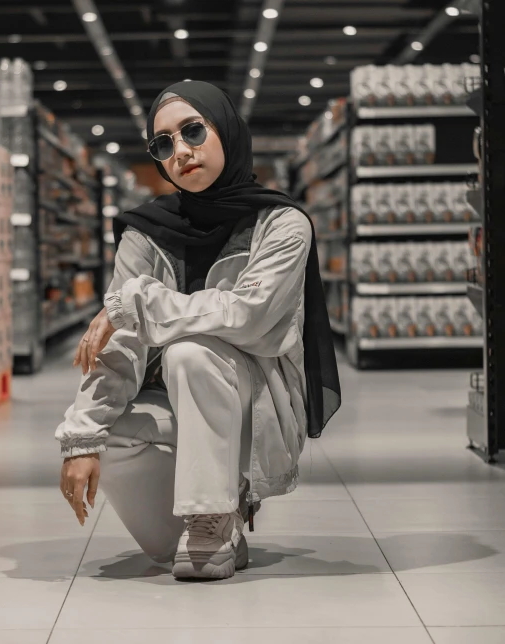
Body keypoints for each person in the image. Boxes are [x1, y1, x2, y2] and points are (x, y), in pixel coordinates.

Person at [56, 81, 341, 580]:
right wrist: (81, 438)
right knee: (112, 435)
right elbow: (123, 343)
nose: (180, 152)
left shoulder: (282, 223)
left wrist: (139, 302)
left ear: (225, 131)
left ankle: (210, 513)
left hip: (257, 403)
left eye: (192, 131)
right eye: (163, 144)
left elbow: (248, 316)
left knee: (191, 352)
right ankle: (215, 523)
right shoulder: (146, 231)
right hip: (172, 399)